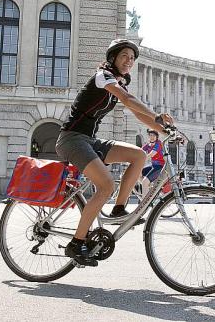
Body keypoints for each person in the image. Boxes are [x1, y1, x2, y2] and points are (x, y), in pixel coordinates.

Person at [55, 39, 174, 265]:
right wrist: (157, 116)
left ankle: (118, 209)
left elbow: (137, 113)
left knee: (139, 155)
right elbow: (127, 99)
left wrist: (165, 130)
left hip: (89, 141)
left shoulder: (118, 82)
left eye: (132, 58)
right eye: (124, 56)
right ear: (113, 58)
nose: (129, 61)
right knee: (106, 185)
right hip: (71, 139)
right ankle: (76, 243)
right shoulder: (103, 77)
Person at [140, 129, 165, 197]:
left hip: (160, 167)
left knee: (144, 182)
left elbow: (151, 154)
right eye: (150, 135)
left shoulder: (158, 143)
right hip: (153, 166)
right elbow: (139, 151)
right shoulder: (148, 145)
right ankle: (150, 187)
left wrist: (140, 160)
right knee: (137, 173)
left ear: (157, 137)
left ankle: (144, 202)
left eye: (154, 135)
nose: (152, 137)